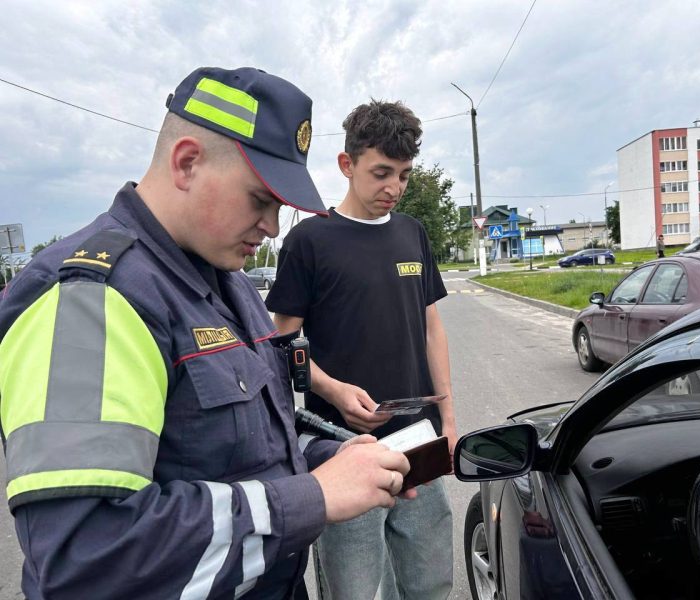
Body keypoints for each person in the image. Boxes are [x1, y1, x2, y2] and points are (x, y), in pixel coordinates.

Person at [0, 67, 416, 599]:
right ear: (187, 162)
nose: (271, 226)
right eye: (259, 199)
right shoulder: (92, 299)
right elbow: (86, 562)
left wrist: (331, 461)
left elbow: (241, 449)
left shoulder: (228, 282)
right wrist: (312, 497)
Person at [267, 100, 456, 600]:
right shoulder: (309, 241)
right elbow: (280, 343)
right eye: (381, 173)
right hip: (343, 449)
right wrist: (331, 388)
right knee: (357, 588)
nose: (393, 188)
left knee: (429, 579)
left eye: (404, 175)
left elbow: (431, 328)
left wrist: (450, 422)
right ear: (346, 165)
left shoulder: (412, 233)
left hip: (419, 441)